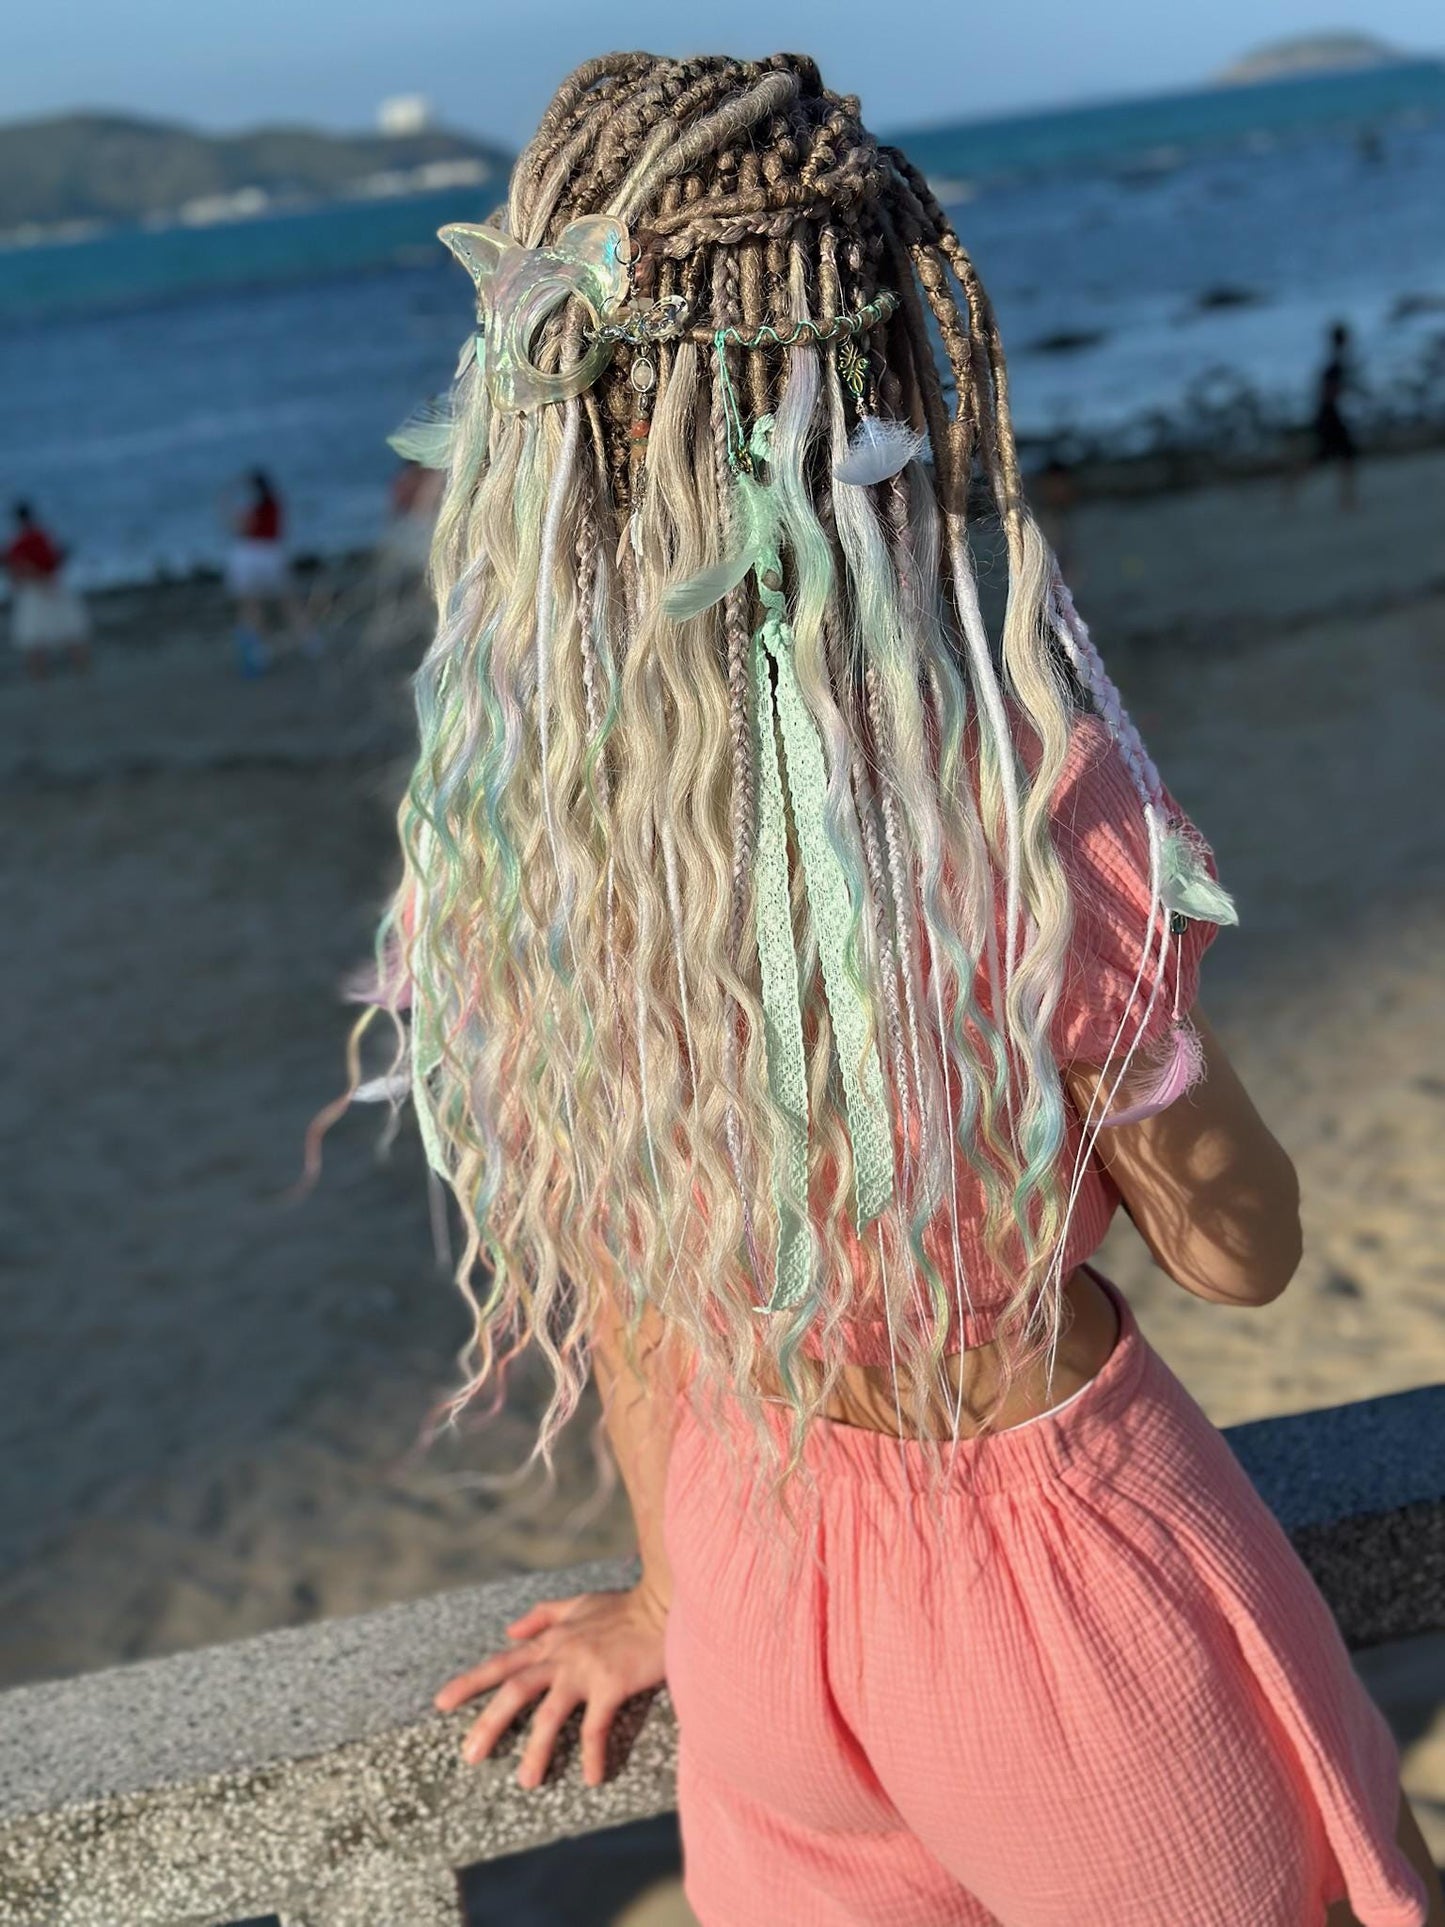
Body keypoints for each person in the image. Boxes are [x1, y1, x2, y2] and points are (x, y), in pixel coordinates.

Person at [342, 54, 1442, 1927]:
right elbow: (1240, 1254)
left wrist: (668, 1600)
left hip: (761, 1578)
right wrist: (1149, 1045)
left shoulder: (549, 824)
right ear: (891, 373)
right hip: (1055, 1602)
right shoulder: (1018, 787)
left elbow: (631, 1291)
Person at [223, 469, 316, 674]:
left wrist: (226, 499)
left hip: (249, 556)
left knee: (252, 607)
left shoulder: (255, 511)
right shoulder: (274, 505)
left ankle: (257, 651)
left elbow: (238, 528)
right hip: (272, 555)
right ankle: (309, 642)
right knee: (289, 602)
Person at [3, 501, 92, 679]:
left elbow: (15, 569)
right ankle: (82, 671)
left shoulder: (19, 542)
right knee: (68, 630)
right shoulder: (41, 536)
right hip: (50, 585)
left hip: (35, 590)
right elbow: (53, 561)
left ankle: (41, 678)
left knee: (35, 637)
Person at [1311, 321, 1360, 511]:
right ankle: (1347, 500)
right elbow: (1328, 392)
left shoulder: (1335, 362)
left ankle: (1347, 499)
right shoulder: (1336, 364)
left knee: (1342, 458)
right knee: (1332, 458)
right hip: (1330, 416)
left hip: (1329, 415)